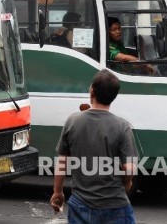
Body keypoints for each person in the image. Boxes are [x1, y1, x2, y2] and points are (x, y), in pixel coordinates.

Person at [50, 69, 138, 224]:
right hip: (115, 205)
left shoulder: (73, 121)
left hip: (80, 204)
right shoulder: (122, 127)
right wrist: (127, 183)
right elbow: (129, 169)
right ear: (113, 97)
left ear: (92, 91)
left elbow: (62, 162)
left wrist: (58, 192)